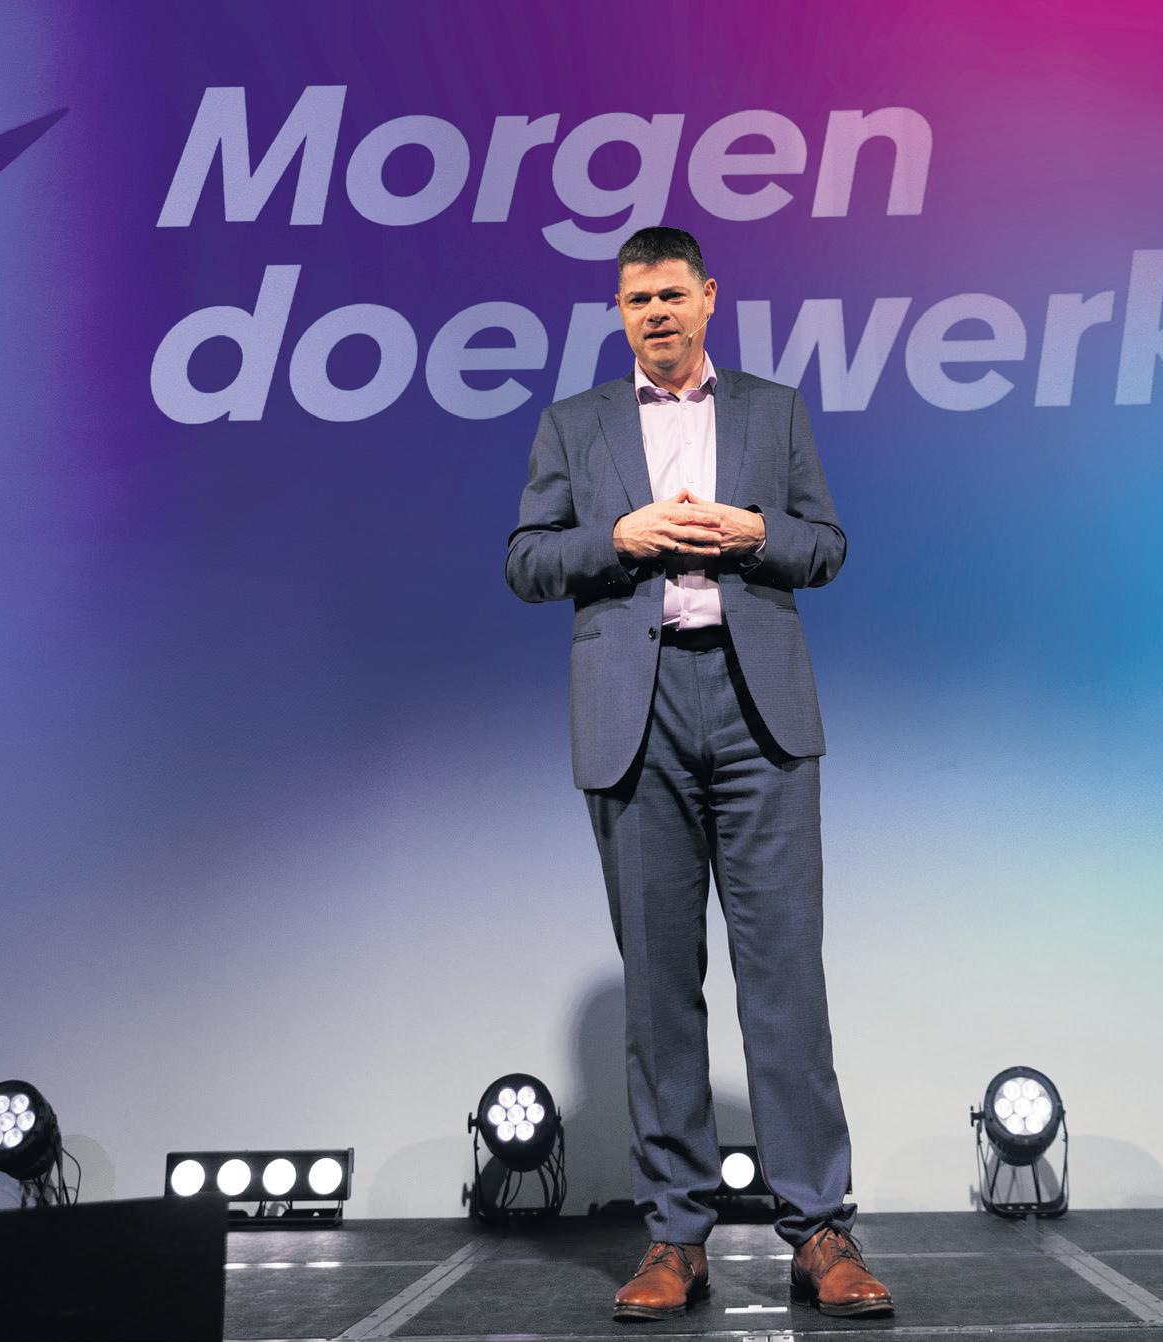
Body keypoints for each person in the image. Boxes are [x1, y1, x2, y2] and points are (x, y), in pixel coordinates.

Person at [505, 226, 893, 1321]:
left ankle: (818, 1229)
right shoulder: (575, 422)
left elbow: (826, 545)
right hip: (637, 714)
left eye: (672, 295)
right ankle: (675, 1236)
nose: (657, 315)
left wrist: (753, 531)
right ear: (619, 311)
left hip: (755, 706)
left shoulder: (772, 411)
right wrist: (620, 537)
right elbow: (526, 561)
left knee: (785, 978)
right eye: (638, 301)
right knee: (660, 988)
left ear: (709, 297)